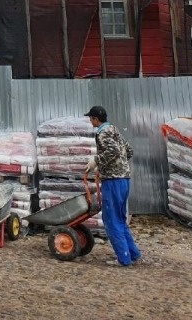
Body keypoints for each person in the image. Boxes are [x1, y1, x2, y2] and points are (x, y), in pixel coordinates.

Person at [84, 105, 142, 267]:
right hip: (124, 179)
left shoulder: (102, 133)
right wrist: (115, 165)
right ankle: (133, 253)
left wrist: (97, 161)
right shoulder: (114, 130)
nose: (90, 121)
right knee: (120, 219)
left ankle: (123, 259)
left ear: (95, 119)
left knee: (111, 220)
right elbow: (128, 151)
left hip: (112, 182)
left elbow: (113, 151)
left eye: (91, 118)